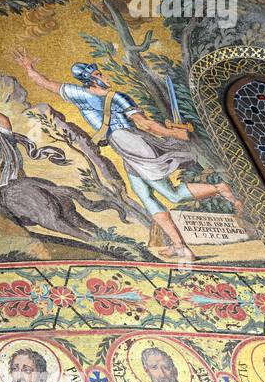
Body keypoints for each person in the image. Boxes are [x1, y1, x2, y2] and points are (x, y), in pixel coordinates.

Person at [15, 53, 239, 260]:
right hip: (125, 145)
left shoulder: (115, 97)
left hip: (132, 144)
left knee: (171, 195)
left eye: (101, 73)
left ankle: (219, 188)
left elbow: (146, 124)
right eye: (98, 74)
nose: (104, 76)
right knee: (145, 196)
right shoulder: (83, 94)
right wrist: (28, 68)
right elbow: (45, 84)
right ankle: (180, 246)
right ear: (90, 79)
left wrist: (173, 132)